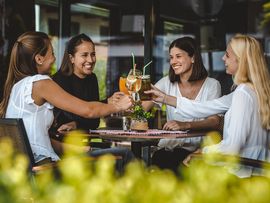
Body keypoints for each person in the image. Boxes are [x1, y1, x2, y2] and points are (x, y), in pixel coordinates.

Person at [0, 31, 134, 169]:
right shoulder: (41, 83)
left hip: (29, 167)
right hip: (45, 168)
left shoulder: (18, 86)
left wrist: (75, 149)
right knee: (124, 156)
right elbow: (88, 110)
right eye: (52, 54)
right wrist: (118, 106)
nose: (54, 59)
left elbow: (37, 140)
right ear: (39, 59)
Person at [145, 34, 270, 177]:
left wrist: (201, 153)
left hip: (243, 175)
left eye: (227, 55)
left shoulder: (242, 93)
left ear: (241, 60)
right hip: (259, 173)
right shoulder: (253, 90)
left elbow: (232, 147)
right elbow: (204, 107)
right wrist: (165, 98)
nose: (223, 58)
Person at [142, 37, 222, 173]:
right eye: (171, 57)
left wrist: (185, 125)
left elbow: (215, 121)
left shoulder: (212, 85)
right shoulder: (166, 82)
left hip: (197, 153)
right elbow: (143, 107)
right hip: (168, 150)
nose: (173, 62)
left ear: (193, 58)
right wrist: (135, 95)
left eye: (178, 56)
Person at [52, 33, 123, 132]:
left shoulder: (92, 78)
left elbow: (94, 121)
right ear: (72, 58)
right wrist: (105, 106)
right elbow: (69, 117)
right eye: (84, 55)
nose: (90, 60)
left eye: (93, 54)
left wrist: (107, 102)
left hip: (86, 142)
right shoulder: (59, 80)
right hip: (63, 143)